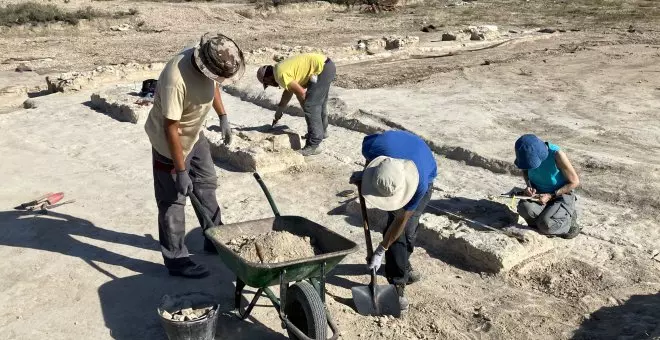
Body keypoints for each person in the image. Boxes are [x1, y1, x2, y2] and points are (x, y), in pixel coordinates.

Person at [144, 33, 245, 278]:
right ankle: (177, 260)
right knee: (173, 202)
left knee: (206, 184)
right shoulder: (175, 80)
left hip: (194, 135)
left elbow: (214, 84)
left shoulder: (208, 61)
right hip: (170, 144)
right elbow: (171, 128)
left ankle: (214, 237)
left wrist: (222, 116)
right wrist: (179, 170)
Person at [355, 130, 437, 311]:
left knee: (405, 230)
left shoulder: (420, 184)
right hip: (396, 157)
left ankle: (398, 283)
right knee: (397, 235)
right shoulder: (373, 147)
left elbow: (401, 220)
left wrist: (380, 250)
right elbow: (369, 157)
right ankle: (399, 272)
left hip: (424, 167)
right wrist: (366, 174)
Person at [256, 53, 336, 156]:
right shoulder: (280, 69)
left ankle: (313, 145)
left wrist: (308, 109)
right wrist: (279, 111)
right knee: (319, 104)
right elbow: (288, 92)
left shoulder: (280, 75)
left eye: (267, 84)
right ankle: (322, 132)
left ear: (267, 78)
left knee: (311, 105)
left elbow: (302, 93)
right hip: (327, 66)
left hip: (321, 70)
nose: (270, 85)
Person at [514, 134, 581, 239]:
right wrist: (529, 186)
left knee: (547, 225)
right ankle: (543, 223)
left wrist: (551, 195)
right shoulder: (525, 154)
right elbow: (525, 170)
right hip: (538, 195)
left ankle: (569, 222)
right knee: (524, 209)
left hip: (560, 194)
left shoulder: (556, 154)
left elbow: (574, 182)